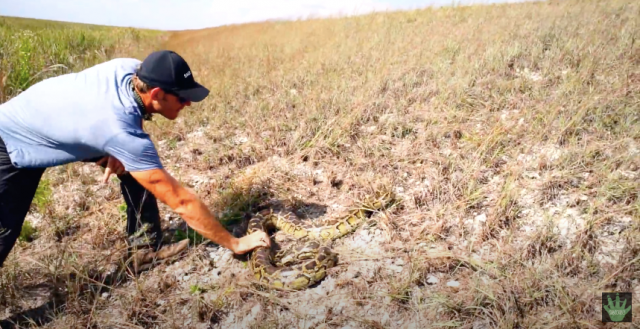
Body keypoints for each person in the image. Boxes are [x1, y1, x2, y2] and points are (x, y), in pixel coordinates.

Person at [0, 50, 271, 272]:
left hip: (56, 119)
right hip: (11, 142)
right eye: (182, 97)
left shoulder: (130, 69)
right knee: (4, 231)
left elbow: (129, 118)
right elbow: (181, 202)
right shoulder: (120, 133)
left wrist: (116, 152)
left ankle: (143, 250)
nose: (188, 104)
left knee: (134, 166)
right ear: (155, 94)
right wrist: (235, 243)